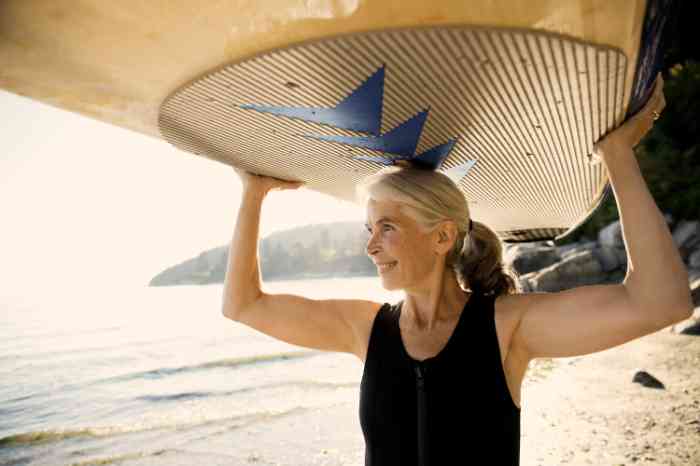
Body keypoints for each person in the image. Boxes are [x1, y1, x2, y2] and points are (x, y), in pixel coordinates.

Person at [221, 73, 693, 465]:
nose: (370, 245)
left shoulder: (506, 326)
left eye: (386, 228)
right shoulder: (365, 329)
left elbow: (661, 302)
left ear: (443, 237)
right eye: (368, 228)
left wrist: (617, 156)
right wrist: (253, 192)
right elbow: (244, 305)